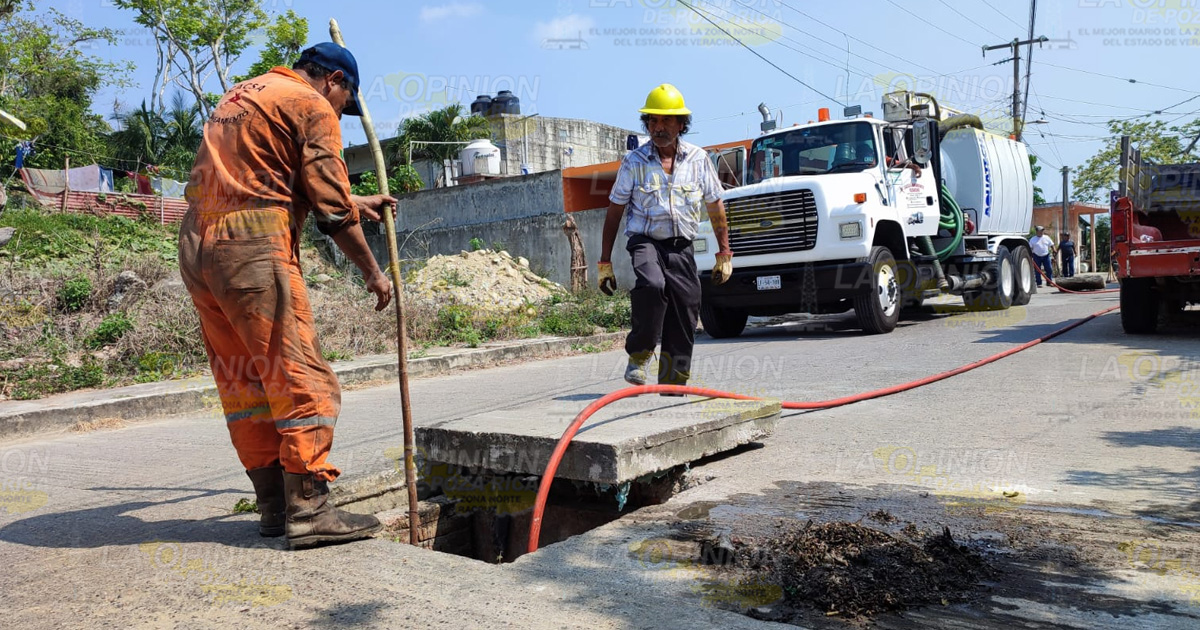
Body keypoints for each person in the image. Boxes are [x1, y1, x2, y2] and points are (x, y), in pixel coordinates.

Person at [178, 43, 398, 550]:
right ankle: (310, 510)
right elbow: (330, 212)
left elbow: (267, 177)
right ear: (334, 81)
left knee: (246, 380)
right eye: (346, 101)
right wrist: (373, 273)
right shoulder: (311, 105)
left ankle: (274, 506)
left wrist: (356, 199)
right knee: (301, 376)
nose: (342, 110)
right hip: (251, 244)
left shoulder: (244, 94)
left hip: (197, 246)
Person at [598, 84, 732, 389]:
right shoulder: (634, 162)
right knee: (652, 284)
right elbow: (615, 210)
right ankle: (641, 353)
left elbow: (715, 204)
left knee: (687, 305)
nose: (658, 128)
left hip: (681, 246)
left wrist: (724, 253)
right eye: (652, 122)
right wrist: (604, 261)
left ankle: (673, 383)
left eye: (666, 121)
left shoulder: (699, 160)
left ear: (681, 124)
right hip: (645, 241)